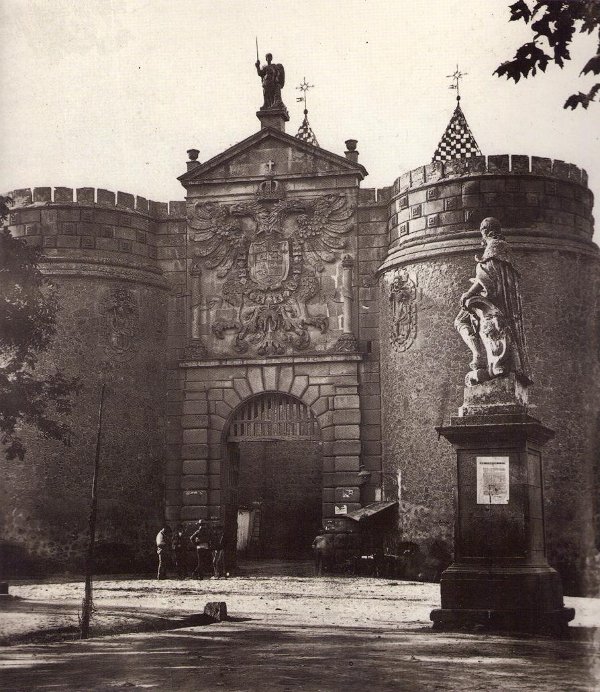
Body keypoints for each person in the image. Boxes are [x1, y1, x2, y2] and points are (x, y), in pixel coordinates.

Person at [455, 217, 532, 386]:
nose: (482, 239)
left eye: (483, 234)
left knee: (461, 320)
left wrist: (468, 293)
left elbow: (487, 275)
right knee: (463, 320)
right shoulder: (502, 248)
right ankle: (481, 357)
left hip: (493, 299)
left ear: (486, 232)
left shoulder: (495, 245)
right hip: (498, 298)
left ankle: (480, 357)